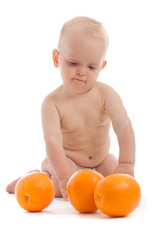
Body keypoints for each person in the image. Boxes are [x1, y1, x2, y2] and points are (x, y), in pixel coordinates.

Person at [6, 16, 135, 200]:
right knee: (56, 191)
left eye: (91, 67)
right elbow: (52, 141)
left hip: (101, 161)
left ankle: (69, 176)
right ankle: (33, 178)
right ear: (57, 58)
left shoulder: (106, 94)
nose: (82, 71)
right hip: (66, 162)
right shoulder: (52, 103)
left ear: (102, 66)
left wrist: (127, 163)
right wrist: (65, 176)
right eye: (73, 63)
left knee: (116, 180)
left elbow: (123, 126)